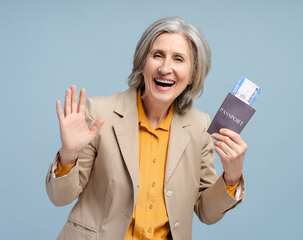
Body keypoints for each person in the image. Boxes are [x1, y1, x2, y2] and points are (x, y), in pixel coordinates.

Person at [46, 16, 247, 240]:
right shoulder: (100, 113)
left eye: (178, 59)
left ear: (192, 75)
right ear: (143, 63)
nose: (165, 68)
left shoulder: (199, 126)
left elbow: (207, 213)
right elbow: (60, 198)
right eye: (157, 55)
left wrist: (232, 177)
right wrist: (68, 156)